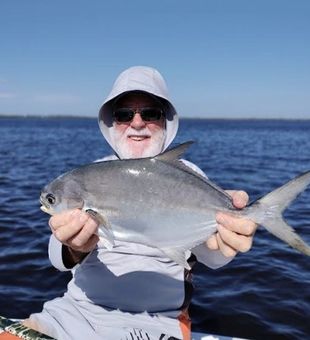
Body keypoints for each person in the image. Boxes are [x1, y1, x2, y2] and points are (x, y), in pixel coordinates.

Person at [23, 66, 257, 340]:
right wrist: (73, 247)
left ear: (166, 120)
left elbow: (213, 255)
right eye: (124, 115)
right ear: (111, 123)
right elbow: (58, 258)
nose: (137, 123)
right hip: (77, 312)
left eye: (150, 113)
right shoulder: (94, 173)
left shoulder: (189, 176)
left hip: (159, 321)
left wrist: (226, 243)